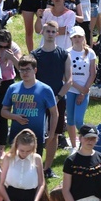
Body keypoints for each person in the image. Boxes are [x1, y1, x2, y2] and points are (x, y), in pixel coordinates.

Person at [31, 21, 71, 178]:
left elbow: (69, 80)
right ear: (42, 32)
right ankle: (35, 167)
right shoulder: (35, 55)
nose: (50, 33)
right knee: (36, 134)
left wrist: (58, 96)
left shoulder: (63, 54)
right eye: (47, 31)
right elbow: (28, 76)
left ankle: (47, 168)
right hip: (39, 101)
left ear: (57, 33)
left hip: (58, 99)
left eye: (53, 31)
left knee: (54, 134)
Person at [0, 55, 58, 155]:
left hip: (36, 136)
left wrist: (51, 134)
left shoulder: (45, 89)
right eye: (22, 70)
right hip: (17, 135)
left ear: (35, 70)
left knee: (34, 166)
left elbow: (54, 113)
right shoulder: (13, 88)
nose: (24, 73)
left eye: (27, 69)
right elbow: (3, 111)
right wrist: (15, 117)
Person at [66, 26, 96, 148]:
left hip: (84, 90)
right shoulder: (67, 53)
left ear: (84, 37)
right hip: (71, 90)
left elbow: (93, 73)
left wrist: (83, 91)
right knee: (70, 120)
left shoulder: (90, 53)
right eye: (75, 37)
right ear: (71, 38)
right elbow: (66, 75)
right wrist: (78, 88)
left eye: (79, 36)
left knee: (79, 120)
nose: (77, 39)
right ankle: (74, 146)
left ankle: (88, 137)